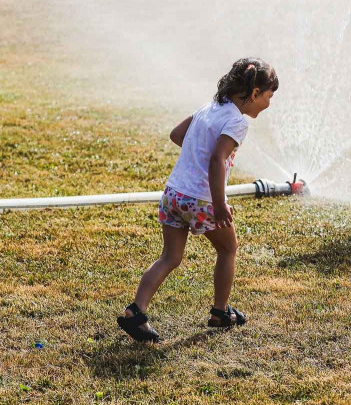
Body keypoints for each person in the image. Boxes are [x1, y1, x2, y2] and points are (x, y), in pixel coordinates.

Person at [117, 58, 279, 343]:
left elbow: (177, 135)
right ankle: (220, 312)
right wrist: (219, 203)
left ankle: (136, 311)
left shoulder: (210, 108)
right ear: (254, 93)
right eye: (268, 96)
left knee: (170, 257)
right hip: (201, 200)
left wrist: (198, 151)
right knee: (229, 249)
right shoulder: (237, 121)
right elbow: (217, 159)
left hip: (174, 193)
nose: (268, 103)